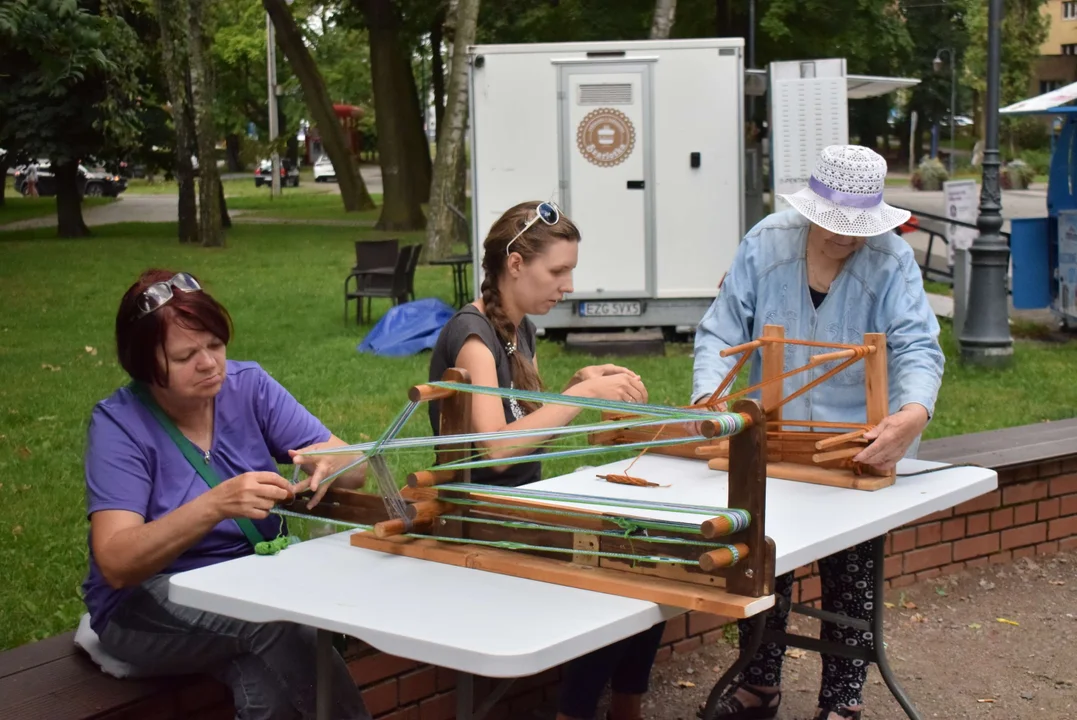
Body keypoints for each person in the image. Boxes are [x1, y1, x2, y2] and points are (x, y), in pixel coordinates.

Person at [691, 145, 945, 720]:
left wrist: (912, 414)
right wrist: (711, 398)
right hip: (771, 437)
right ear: (810, 211)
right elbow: (719, 331)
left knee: (851, 568)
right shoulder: (765, 243)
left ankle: (842, 701)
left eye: (857, 229)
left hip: (857, 441)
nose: (845, 238)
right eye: (833, 225)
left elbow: (917, 347)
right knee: (765, 557)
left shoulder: (893, 260)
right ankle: (759, 686)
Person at [82, 269, 372, 720]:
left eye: (215, 345)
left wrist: (335, 463)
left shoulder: (248, 386)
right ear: (144, 364)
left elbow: (355, 467)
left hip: (244, 583)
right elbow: (118, 563)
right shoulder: (119, 425)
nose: (209, 364)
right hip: (141, 605)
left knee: (267, 684)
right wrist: (214, 505)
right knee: (277, 626)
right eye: (185, 356)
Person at [428, 201, 662, 720]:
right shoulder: (474, 338)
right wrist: (580, 398)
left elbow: (523, 421)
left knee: (653, 553)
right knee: (627, 567)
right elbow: (496, 446)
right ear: (515, 265)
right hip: (477, 518)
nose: (569, 284)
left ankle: (625, 707)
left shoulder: (516, 326)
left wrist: (579, 383)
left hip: (513, 508)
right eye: (558, 271)